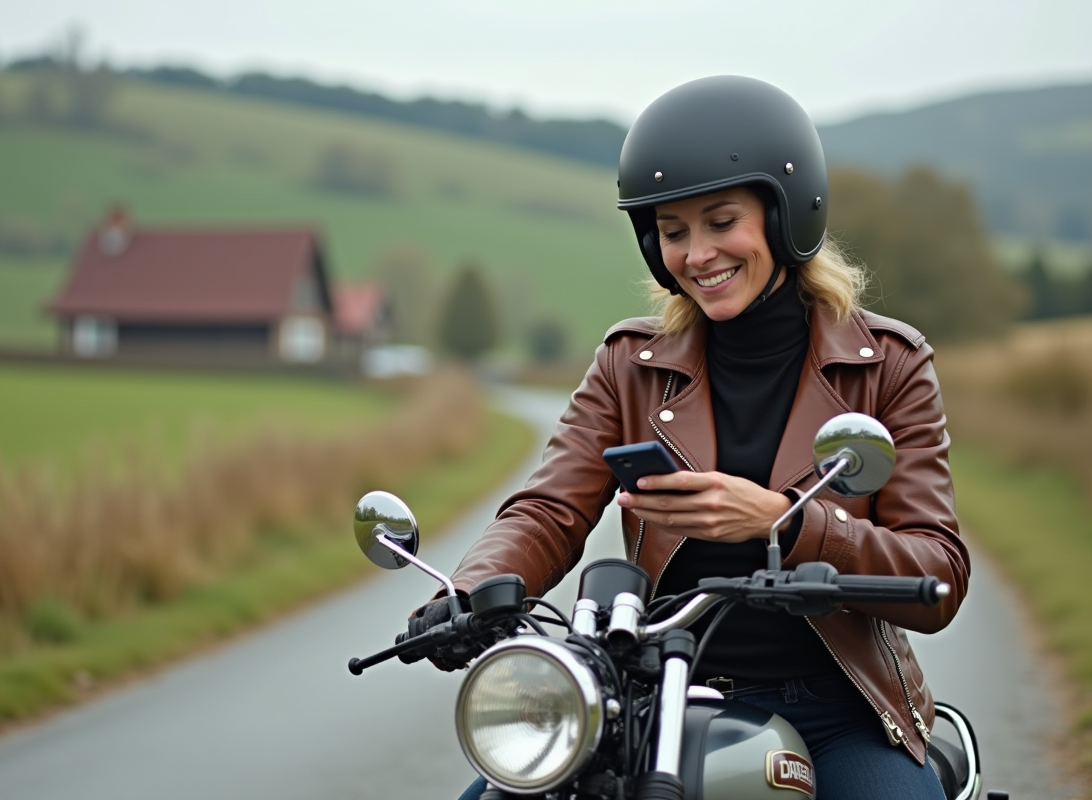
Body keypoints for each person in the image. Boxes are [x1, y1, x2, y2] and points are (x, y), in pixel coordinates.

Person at [415, 75, 969, 800]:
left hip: (836, 709)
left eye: (720, 221)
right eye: (673, 232)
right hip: (650, 690)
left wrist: (783, 522)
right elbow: (549, 509)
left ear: (786, 213)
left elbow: (937, 573)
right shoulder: (629, 364)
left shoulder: (887, 364)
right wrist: (468, 590)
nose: (698, 253)